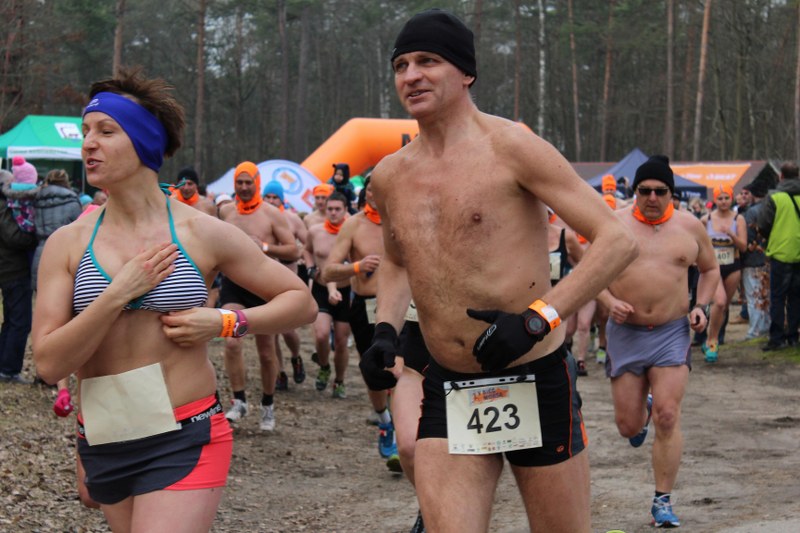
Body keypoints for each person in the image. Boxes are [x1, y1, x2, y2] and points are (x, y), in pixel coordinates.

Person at [364, 9, 638, 532]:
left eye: (427, 61)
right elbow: (397, 261)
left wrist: (538, 319)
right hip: (451, 382)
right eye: (401, 65)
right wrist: (384, 331)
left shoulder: (512, 147)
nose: (411, 75)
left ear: (466, 71)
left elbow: (617, 241)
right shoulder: (391, 174)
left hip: (534, 374)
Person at [31, 69, 316, 532]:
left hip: (185, 432)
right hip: (105, 435)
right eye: (85, 132)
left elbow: (300, 301)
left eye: (106, 131)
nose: (88, 144)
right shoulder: (68, 243)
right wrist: (117, 293)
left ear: (145, 142)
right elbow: (47, 363)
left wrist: (223, 322)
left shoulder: (199, 231)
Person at [597, 154, 719, 528]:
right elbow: (591, 274)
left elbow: (710, 269)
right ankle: (642, 411)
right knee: (628, 426)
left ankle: (662, 501)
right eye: (644, 190)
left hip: (671, 332)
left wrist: (700, 306)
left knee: (669, 415)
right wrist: (609, 302)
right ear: (635, 191)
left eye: (660, 191)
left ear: (671, 193)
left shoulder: (690, 226)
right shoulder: (614, 224)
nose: (652, 197)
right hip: (626, 333)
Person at [322, 177, 401, 471]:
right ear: (365, 192)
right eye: (370, 188)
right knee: (374, 370)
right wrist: (357, 266)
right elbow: (328, 271)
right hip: (365, 306)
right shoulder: (353, 225)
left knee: (402, 368)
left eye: (380, 188)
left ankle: (402, 432)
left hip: (402, 304)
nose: (374, 193)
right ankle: (384, 420)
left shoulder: (402, 219)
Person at [217, 161, 302, 431]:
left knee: (266, 353)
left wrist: (264, 246)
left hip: (263, 287)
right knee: (231, 342)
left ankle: (268, 403)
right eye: (239, 183)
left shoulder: (271, 214)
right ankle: (239, 401)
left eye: (248, 183)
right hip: (234, 285)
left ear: (257, 183)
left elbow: (293, 250)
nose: (243, 188)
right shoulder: (226, 211)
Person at [303, 192, 352, 399]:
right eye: (330, 209)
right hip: (321, 289)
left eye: (337, 209)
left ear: (345, 210)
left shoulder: (352, 232)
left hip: (346, 291)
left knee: (341, 341)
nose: (333, 213)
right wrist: (310, 269)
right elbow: (306, 251)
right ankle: (324, 366)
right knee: (322, 334)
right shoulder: (315, 231)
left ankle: (339, 380)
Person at [262, 179, 308, 389]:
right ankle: (280, 371)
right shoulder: (260, 219)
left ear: (282, 199)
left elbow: (308, 243)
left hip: (288, 282)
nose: (271, 201)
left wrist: (302, 256)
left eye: (275, 197)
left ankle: (296, 357)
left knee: (288, 330)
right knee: (271, 332)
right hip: (265, 282)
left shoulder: (291, 219)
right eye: (268, 196)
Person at [700, 184, 747, 363]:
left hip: (733, 265)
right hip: (713, 268)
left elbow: (743, 246)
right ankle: (712, 341)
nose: (724, 201)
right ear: (714, 200)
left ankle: (711, 338)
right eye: (720, 198)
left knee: (724, 306)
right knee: (719, 302)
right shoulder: (706, 219)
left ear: (732, 198)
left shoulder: (738, 219)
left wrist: (731, 235)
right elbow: (699, 245)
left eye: (727, 198)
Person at [756, 161, 800, 351]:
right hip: (799, 253)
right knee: (796, 297)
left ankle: (777, 338)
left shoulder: (774, 197)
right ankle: (793, 336)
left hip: (780, 252)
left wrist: (772, 237)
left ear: (780, 176)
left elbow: (763, 224)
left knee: (778, 297)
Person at [0, 169, 38, 383]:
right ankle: (9, 369)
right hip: (13, 270)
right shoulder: (3, 206)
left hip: (9, 269)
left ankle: (4, 366)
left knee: (11, 320)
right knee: (20, 321)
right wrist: (35, 237)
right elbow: (13, 237)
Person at [740, 180, 771, 339]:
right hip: (769, 258)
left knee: (753, 297)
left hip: (752, 260)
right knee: (766, 296)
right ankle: (765, 327)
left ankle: (755, 331)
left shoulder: (751, 212)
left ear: (753, 194)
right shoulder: (771, 208)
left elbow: (748, 239)